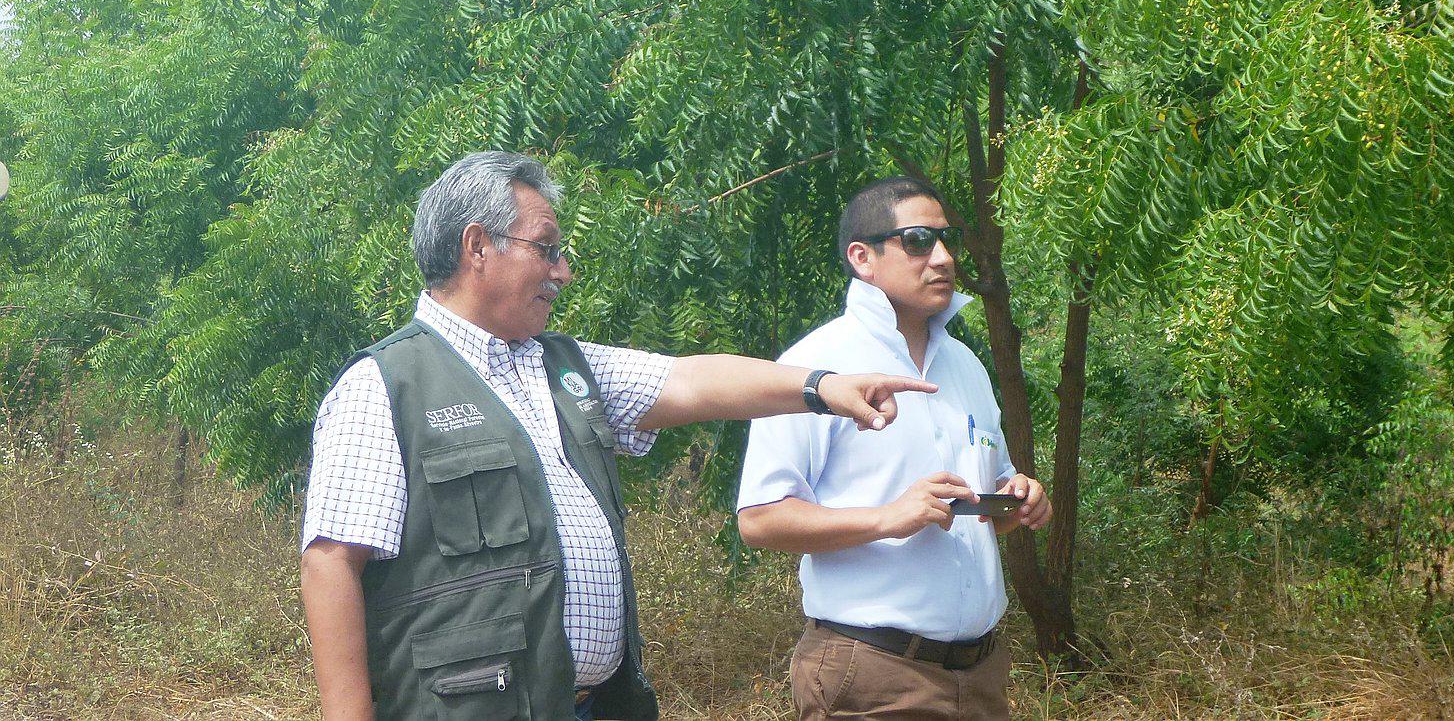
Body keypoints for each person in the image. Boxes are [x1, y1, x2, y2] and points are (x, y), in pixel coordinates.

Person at [300, 152, 933, 721]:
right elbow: (331, 565)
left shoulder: (563, 366)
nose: (563, 270)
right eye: (546, 249)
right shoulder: (384, 385)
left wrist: (822, 388)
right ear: (477, 247)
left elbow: (688, 381)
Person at [737, 176, 1054, 721]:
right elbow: (760, 521)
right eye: (917, 240)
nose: (943, 258)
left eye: (947, 240)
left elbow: (980, 513)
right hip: (872, 674)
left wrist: (1017, 499)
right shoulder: (814, 366)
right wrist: (889, 517)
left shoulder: (966, 367)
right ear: (863, 257)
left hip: (981, 676)